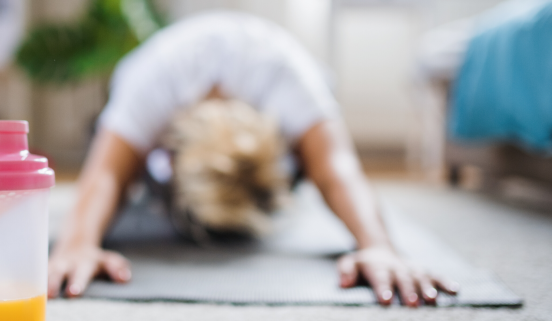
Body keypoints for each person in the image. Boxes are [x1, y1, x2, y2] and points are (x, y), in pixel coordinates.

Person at [48, 11, 459, 306]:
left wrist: (379, 245)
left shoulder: (291, 80)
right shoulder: (151, 84)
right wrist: (78, 244)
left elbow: (336, 169)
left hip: (272, 98)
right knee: (119, 164)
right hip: (164, 104)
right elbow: (105, 175)